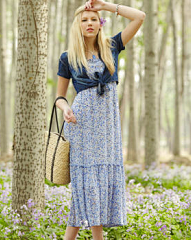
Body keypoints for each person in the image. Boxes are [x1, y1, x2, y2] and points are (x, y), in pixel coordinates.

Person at [55, 1, 145, 239]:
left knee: (98, 186)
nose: (89, 23)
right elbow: (59, 97)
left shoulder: (112, 46)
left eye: (94, 19)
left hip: (107, 127)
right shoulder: (67, 57)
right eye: (84, 20)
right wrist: (65, 108)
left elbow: (139, 17)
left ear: (100, 23)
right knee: (86, 185)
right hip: (81, 123)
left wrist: (105, 5)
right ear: (78, 25)